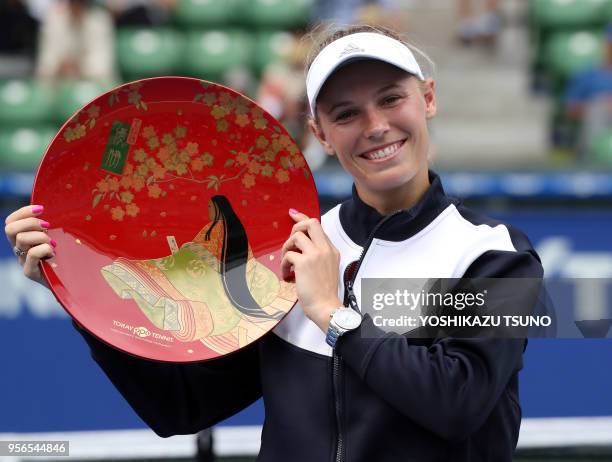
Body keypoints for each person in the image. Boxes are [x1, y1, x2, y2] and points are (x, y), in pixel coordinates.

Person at [5, 24, 543, 461]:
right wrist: (76, 287)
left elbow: (458, 403)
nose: (376, 125)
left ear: (427, 99)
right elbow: (182, 409)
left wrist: (334, 316)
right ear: (321, 134)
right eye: (346, 113)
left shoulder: (493, 255)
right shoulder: (286, 249)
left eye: (391, 99)